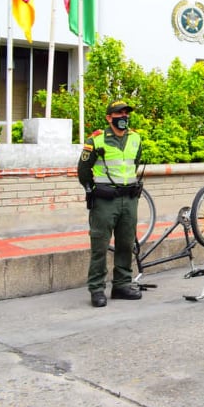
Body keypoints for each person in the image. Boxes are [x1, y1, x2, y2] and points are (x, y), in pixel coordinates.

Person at [77, 100, 144, 308]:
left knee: (126, 244)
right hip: (105, 201)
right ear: (109, 117)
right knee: (100, 245)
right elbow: (83, 171)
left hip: (129, 199)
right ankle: (97, 289)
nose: (123, 116)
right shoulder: (96, 140)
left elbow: (135, 163)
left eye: (126, 113)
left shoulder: (135, 138)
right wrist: (92, 190)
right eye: (119, 113)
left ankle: (121, 285)